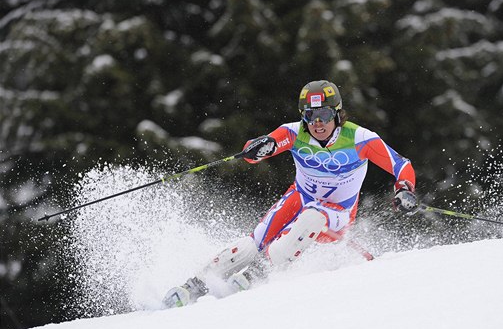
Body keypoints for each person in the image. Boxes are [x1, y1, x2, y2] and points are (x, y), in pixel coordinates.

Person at [163, 80, 418, 308]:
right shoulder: (295, 132)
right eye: (310, 116)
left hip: (337, 213)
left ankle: (258, 273)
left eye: (324, 114)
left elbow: (401, 165)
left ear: (337, 114)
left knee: (312, 217)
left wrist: (404, 189)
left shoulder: (360, 138)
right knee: (252, 243)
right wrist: (259, 148)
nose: (317, 123)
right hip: (299, 197)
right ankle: (194, 285)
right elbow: (267, 145)